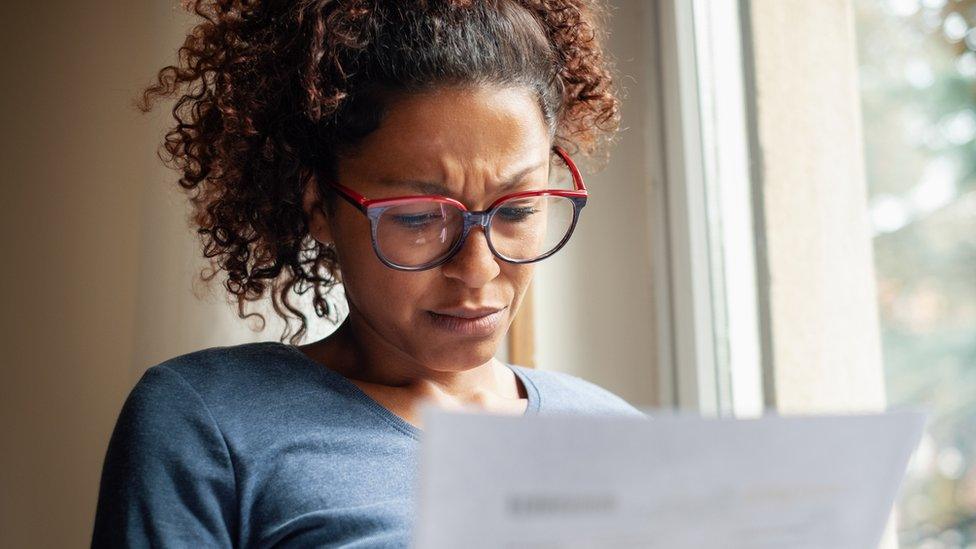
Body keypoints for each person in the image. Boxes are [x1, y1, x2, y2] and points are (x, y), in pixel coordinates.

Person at [91, 0, 644, 546]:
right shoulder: (208, 422)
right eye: (419, 217)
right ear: (318, 205)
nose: (478, 270)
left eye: (519, 209)